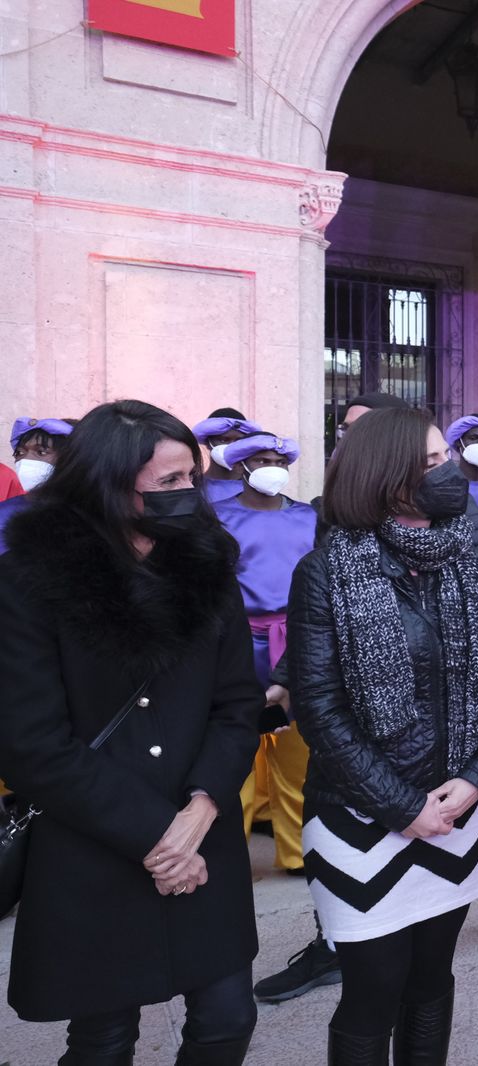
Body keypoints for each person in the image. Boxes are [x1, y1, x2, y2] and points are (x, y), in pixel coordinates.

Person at [0, 399, 262, 1065]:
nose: (189, 495)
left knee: (227, 1018)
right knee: (103, 1038)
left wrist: (199, 811)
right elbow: (32, 744)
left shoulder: (207, 565)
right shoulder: (28, 582)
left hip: (203, 835)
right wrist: (157, 837)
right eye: (168, 483)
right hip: (95, 838)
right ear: (107, 485)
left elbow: (236, 706)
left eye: (191, 479)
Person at [288, 406, 478, 1064]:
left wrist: (476, 780)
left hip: (456, 814)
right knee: (374, 991)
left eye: (444, 456)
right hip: (360, 820)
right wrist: (402, 806)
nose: (447, 471)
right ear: (385, 477)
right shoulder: (325, 573)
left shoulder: (470, 563)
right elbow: (320, 708)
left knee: (429, 982)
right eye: (429, 463)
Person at [213, 434, 318, 871]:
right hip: (239, 641)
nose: (272, 467)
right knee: (235, 747)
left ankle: (296, 852)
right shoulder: (218, 517)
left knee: (297, 750)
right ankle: (228, 852)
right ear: (243, 466)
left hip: (294, 642)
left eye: (279, 460)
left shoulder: (308, 517)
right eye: (262, 460)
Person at [0, 416, 75, 552]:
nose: (26, 460)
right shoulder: (6, 513)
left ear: (71, 459)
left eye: (41, 452)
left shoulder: (97, 512)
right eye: (20, 453)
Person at [193, 409, 264, 503]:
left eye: (238, 441)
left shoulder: (259, 488)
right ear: (207, 442)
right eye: (223, 440)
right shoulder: (191, 486)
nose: (232, 446)